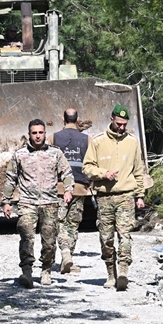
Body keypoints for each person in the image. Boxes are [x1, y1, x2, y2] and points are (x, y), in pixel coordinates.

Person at [3, 119, 74, 288]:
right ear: (29, 134)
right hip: (27, 203)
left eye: (40, 133)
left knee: (49, 241)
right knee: (26, 237)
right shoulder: (20, 155)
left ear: (45, 133)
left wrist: (68, 189)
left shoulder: (55, 153)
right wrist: (6, 202)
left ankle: (46, 270)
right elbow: (10, 179)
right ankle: (27, 271)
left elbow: (67, 172)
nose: (37, 136)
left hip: (50, 203)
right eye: (34, 133)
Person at [82, 104, 145, 291]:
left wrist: (140, 195)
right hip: (104, 197)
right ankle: (111, 274)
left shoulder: (133, 142)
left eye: (125, 124)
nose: (122, 128)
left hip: (126, 196)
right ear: (111, 120)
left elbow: (139, 171)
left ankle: (123, 271)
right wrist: (103, 173)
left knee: (125, 236)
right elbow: (87, 168)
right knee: (106, 238)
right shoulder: (98, 141)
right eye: (119, 124)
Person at [49, 108, 91, 274]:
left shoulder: (53, 138)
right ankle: (68, 257)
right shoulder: (87, 139)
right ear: (78, 119)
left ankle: (64, 255)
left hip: (58, 188)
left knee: (59, 223)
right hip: (79, 188)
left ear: (62, 119)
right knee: (72, 224)